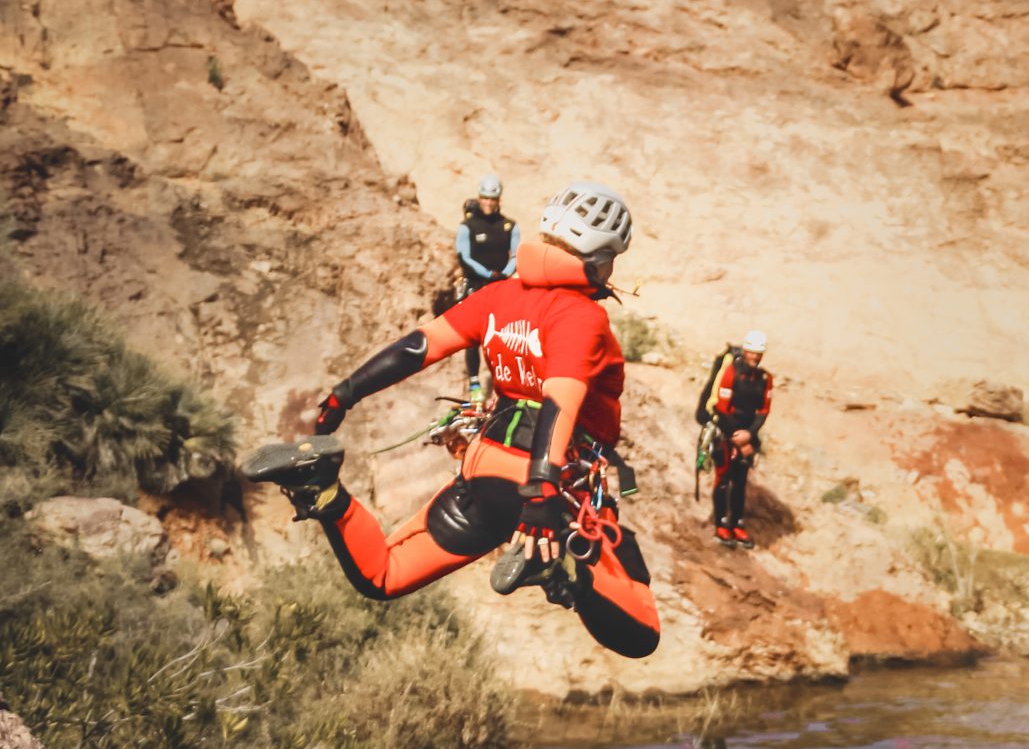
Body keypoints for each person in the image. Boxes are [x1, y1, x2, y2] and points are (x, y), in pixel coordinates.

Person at [241, 182, 660, 660]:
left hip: (483, 473)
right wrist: (541, 495)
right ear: (602, 258)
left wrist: (346, 393)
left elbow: (419, 347)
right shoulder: (581, 316)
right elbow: (559, 401)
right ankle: (562, 571)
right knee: (641, 632)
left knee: (385, 574)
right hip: (556, 491)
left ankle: (323, 492)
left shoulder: (500, 295)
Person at [695, 331, 773, 546]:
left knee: (739, 481)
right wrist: (735, 438)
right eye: (752, 353)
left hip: (746, 435)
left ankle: (737, 524)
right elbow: (721, 406)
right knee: (723, 478)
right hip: (726, 432)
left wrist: (749, 436)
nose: (755, 357)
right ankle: (721, 524)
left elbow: (763, 410)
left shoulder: (765, 379)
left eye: (759, 354)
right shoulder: (731, 372)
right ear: (745, 351)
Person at [455, 174, 519, 400]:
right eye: (484, 198)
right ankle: (474, 383)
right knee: (473, 337)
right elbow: (464, 256)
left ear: (498, 199)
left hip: (500, 287)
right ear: (479, 198)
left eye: (492, 198)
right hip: (476, 285)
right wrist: (487, 274)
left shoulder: (509, 226)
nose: (488, 202)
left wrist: (504, 273)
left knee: (499, 335)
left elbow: (516, 254)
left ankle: (501, 381)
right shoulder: (468, 227)